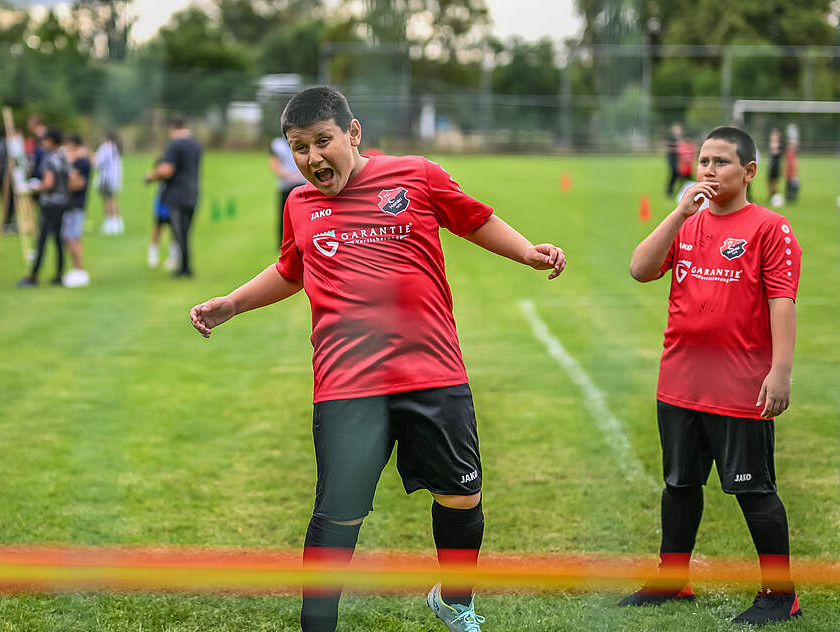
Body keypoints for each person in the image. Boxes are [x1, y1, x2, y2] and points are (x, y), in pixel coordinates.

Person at [188, 87, 568, 632]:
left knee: (462, 498)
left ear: (354, 133)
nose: (313, 158)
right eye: (299, 148)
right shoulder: (300, 204)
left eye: (323, 141)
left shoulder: (417, 175)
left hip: (432, 371)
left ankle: (455, 602)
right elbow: (292, 270)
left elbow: (474, 219)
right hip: (347, 383)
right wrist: (232, 303)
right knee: (339, 515)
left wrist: (527, 250)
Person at [623, 125, 802, 625]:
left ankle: (779, 593)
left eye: (720, 162)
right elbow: (640, 269)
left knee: (752, 488)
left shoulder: (770, 227)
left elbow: (782, 301)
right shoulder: (687, 221)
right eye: (703, 161)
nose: (708, 170)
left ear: (748, 172)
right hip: (679, 380)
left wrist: (780, 371)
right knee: (679, 485)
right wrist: (679, 212)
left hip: (739, 385)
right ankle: (672, 579)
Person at [146, 117, 201, 278]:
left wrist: (150, 177)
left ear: (171, 128)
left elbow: (166, 170)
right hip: (193, 192)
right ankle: (185, 267)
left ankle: (184, 269)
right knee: (185, 232)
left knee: (179, 232)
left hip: (177, 195)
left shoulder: (174, 145)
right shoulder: (196, 145)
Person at [17, 129, 69, 288]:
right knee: (59, 241)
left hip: (49, 203)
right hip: (62, 202)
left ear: (52, 141)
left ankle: (33, 276)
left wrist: (32, 188)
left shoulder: (49, 159)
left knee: (42, 240)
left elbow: (48, 183)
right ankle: (59, 274)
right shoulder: (63, 157)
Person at [61, 133, 92, 287]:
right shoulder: (79, 160)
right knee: (69, 237)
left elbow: (77, 184)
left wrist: (70, 171)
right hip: (71, 205)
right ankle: (77, 269)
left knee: (73, 238)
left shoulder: (82, 163)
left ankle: (79, 269)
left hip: (76, 205)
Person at [270, 134, 308, 247]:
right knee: (285, 217)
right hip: (287, 186)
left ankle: (303, 243)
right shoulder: (278, 144)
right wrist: (288, 175)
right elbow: (274, 163)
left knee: (305, 217)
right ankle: (283, 244)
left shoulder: (307, 138)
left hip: (304, 184)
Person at [94, 131, 124, 235]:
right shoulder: (114, 147)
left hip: (106, 177)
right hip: (114, 177)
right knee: (113, 199)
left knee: (107, 200)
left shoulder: (105, 148)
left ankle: (110, 222)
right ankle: (117, 222)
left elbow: (97, 162)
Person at [148, 182, 177, 270]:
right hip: (162, 196)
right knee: (157, 226)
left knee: (174, 229)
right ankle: (153, 257)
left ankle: (174, 258)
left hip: (175, 197)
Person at [665, 122, 686, 198]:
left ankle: (680, 190)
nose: (678, 131)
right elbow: (669, 147)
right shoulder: (671, 138)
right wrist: (678, 148)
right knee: (674, 173)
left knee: (679, 174)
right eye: (676, 129)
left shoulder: (681, 138)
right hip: (672, 157)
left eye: (679, 129)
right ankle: (669, 190)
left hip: (679, 158)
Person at [766, 129, 783, 207]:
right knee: (769, 182)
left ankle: (776, 199)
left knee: (775, 184)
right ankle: (771, 197)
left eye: (774, 136)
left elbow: (777, 155)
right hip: (770, 166)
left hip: (776, 167)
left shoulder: (779, 146)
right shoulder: (770, 145)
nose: (772, 137)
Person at [783, 131, 800, 205]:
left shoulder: (792, 153)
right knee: (790, 187)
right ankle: (789, 199)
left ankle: (791, 199)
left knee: (792, 187)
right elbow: (790, 164)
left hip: (792, 174)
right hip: (790, 174)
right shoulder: (789, 153)